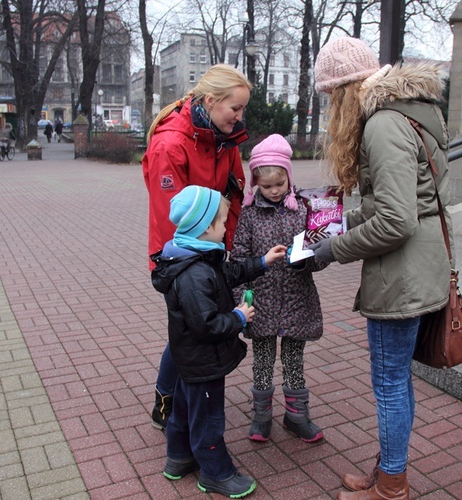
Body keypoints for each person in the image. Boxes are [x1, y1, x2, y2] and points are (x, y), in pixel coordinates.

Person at [310, 37, 453, 499]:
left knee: (389, 382)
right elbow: (404, 203)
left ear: (349, 88)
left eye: (333, 96)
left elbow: (396, 219)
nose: (333, 108)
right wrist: (333, 226)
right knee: (397, 379)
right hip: (419, 264)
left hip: (402, 273)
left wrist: (331, 251)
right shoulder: (412, 111)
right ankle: (391, 467)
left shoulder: (383, 124)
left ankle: (392, 484)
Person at [151, 185, 286, 498]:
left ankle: (179, 458)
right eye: (223, 222)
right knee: (209, 417)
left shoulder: (196, 258)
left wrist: (262, 262)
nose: (227, 227)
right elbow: (206, 325)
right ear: (205, 227)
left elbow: (230, 271)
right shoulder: (194, 275)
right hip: (203, 360)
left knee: (185, 408)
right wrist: (238, 318)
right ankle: (216, 473)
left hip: (190, 360)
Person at [142, 64, 251, 431]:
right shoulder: (171, 145)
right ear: (210, 101)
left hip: (210, 250)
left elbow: (233, 190)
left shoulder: (224, 137)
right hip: (182, 257)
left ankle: (177, 405)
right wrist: (199, 263)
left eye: (242, 110)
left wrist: (227, 246)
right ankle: (166, 403)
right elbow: (170, 216)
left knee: (190, 331)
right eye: (234, 108)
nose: (239, 117)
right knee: (189, 331)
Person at [231, 134, 328, 443]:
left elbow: (320, 251)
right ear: (255, 183)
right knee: (261, 361)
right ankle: (261, 418)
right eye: (266, 186)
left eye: (279, 184)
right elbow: (239, 260)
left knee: (293, 360)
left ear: (289, 176)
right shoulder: (249, 214)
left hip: (296, 300)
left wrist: (307, 261)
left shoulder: (304, 209)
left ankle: (297, 417)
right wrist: (241, 302)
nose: (273, 191)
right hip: (259, 302)